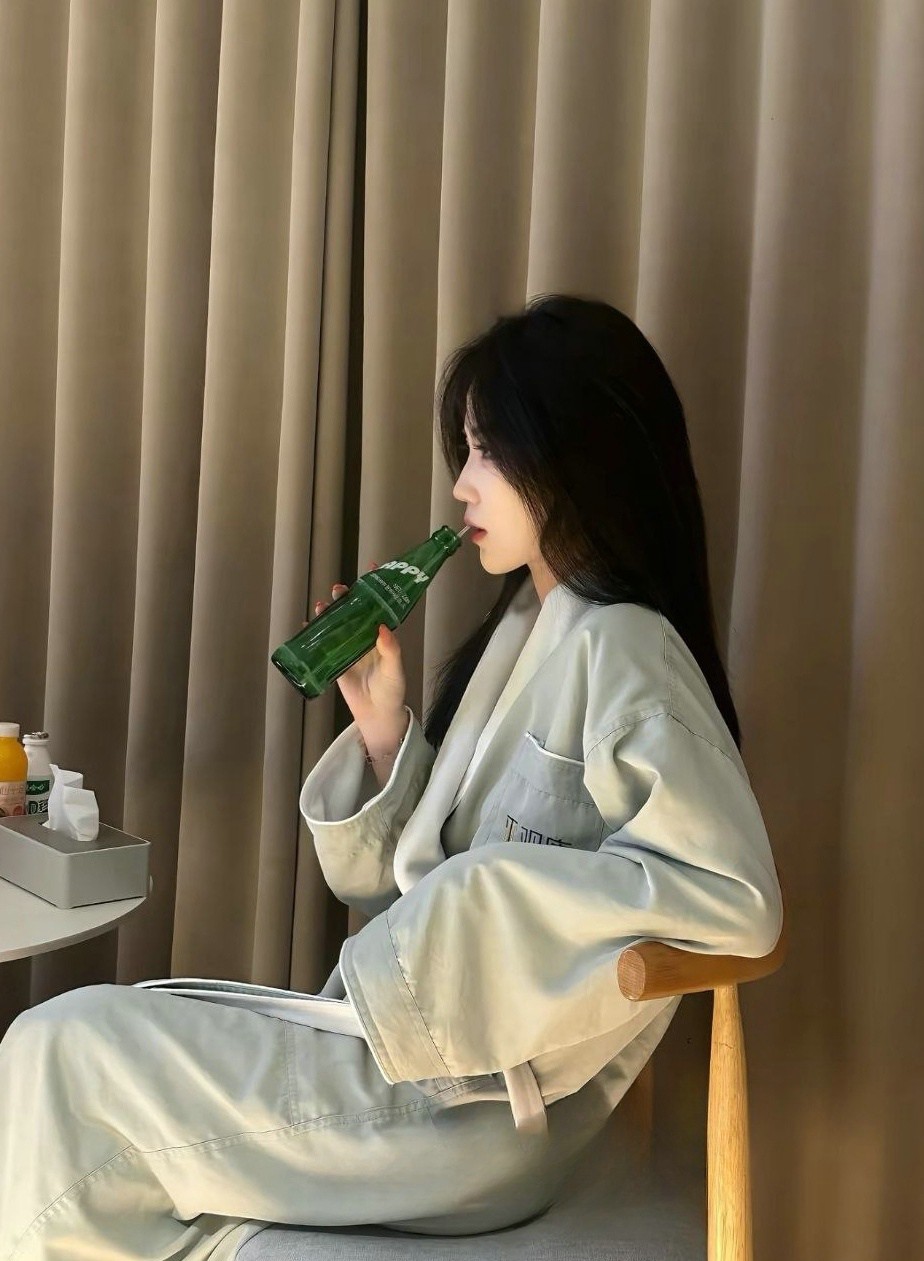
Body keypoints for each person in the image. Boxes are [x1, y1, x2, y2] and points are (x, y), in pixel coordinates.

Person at [0, 293, 783, 1260]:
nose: (462, 486)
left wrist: (487, 895)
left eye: (487, 452)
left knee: (59, 1050)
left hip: (468, 1111)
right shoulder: (523, 633)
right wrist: (383, 733)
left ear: (569, 459)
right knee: (64, 1058)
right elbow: (404, 896)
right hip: (408, 1065)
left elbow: (734, 898)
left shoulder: (625, 647)